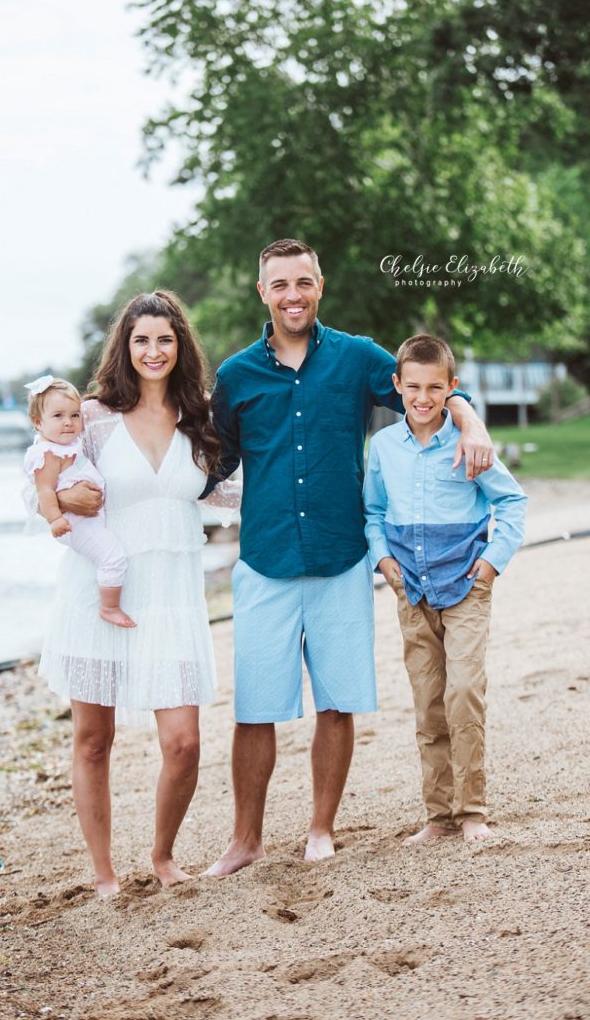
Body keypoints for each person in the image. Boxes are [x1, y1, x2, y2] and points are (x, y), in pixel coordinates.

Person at [203, 238, 495, 876]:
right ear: (263, 293)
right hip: (265, 558)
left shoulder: (360, 358)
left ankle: (320, 829)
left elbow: (428, 386)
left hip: (341, 557)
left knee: (336, 701)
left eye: (302, 282)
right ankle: (245, 839)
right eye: (279, 285)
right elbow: (210, 463)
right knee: (255, 707)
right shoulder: (235, 376)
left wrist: (469, 420)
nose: (292, 295)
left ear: (319, 285)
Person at [37, 291, 239, 896]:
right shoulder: (92, 418)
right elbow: (39, 476)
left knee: (182, 742)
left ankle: (162, 854)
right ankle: (103, 872)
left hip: (174, 594)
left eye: (165, 340)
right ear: (125, 349)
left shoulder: (201, 418)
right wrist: (61, 500)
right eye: (142, 340)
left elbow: (236, 489)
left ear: (181, 347)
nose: (154, 351)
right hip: (99, 592)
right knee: (94, 739)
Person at [363, 334, 527, 843]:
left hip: (466, 590)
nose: (423, 397)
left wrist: (491, 564)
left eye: (435, 387)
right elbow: (371, 512)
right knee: (429, 703)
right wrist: (384, 561)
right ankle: (438, 817)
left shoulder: (468, 441)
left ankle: (472, 810)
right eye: (413, 386)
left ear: (452, 388)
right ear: (397, 386)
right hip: (410, 591)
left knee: (462, 694)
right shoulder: (384, 447)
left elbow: (513, 502)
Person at [23, 375, 135, 628]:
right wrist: (56, 519)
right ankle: (109, 607)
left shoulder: (72, 444)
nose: (68, 423)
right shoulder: (48, 454)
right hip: (73, 522)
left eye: (75, 415)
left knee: (104, 556)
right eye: (58, 416)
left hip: (86, 519)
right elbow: (44, 491)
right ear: (38, 422)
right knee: (113, 557)